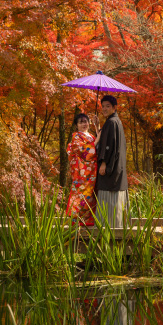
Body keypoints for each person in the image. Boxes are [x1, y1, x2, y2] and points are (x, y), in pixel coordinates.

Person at [94, 94, 128, 228]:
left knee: (108, 198)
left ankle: (107, 226)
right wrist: (97, 126)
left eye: (108, 106)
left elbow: (108, 146)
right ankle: (117, 225)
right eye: (103, 106)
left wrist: (103, 163)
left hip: (110, 169)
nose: (104, 109)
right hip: (118, 169)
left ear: (115, 107)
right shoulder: (115, 122)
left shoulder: (111, 122)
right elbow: (104, 141)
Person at [65, 113, 98, 226]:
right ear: (76, 125)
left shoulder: (91, 136)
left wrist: (97, 127)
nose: (84, 124)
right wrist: (96, 142)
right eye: (81, 122)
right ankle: (78, 219)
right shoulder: (77, 136)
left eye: (86, 121)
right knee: (82, 194)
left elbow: (97, 144)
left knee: (91, 194)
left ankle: (89, 219)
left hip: (92, 170)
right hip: (83, 171)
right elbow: (83, 152)